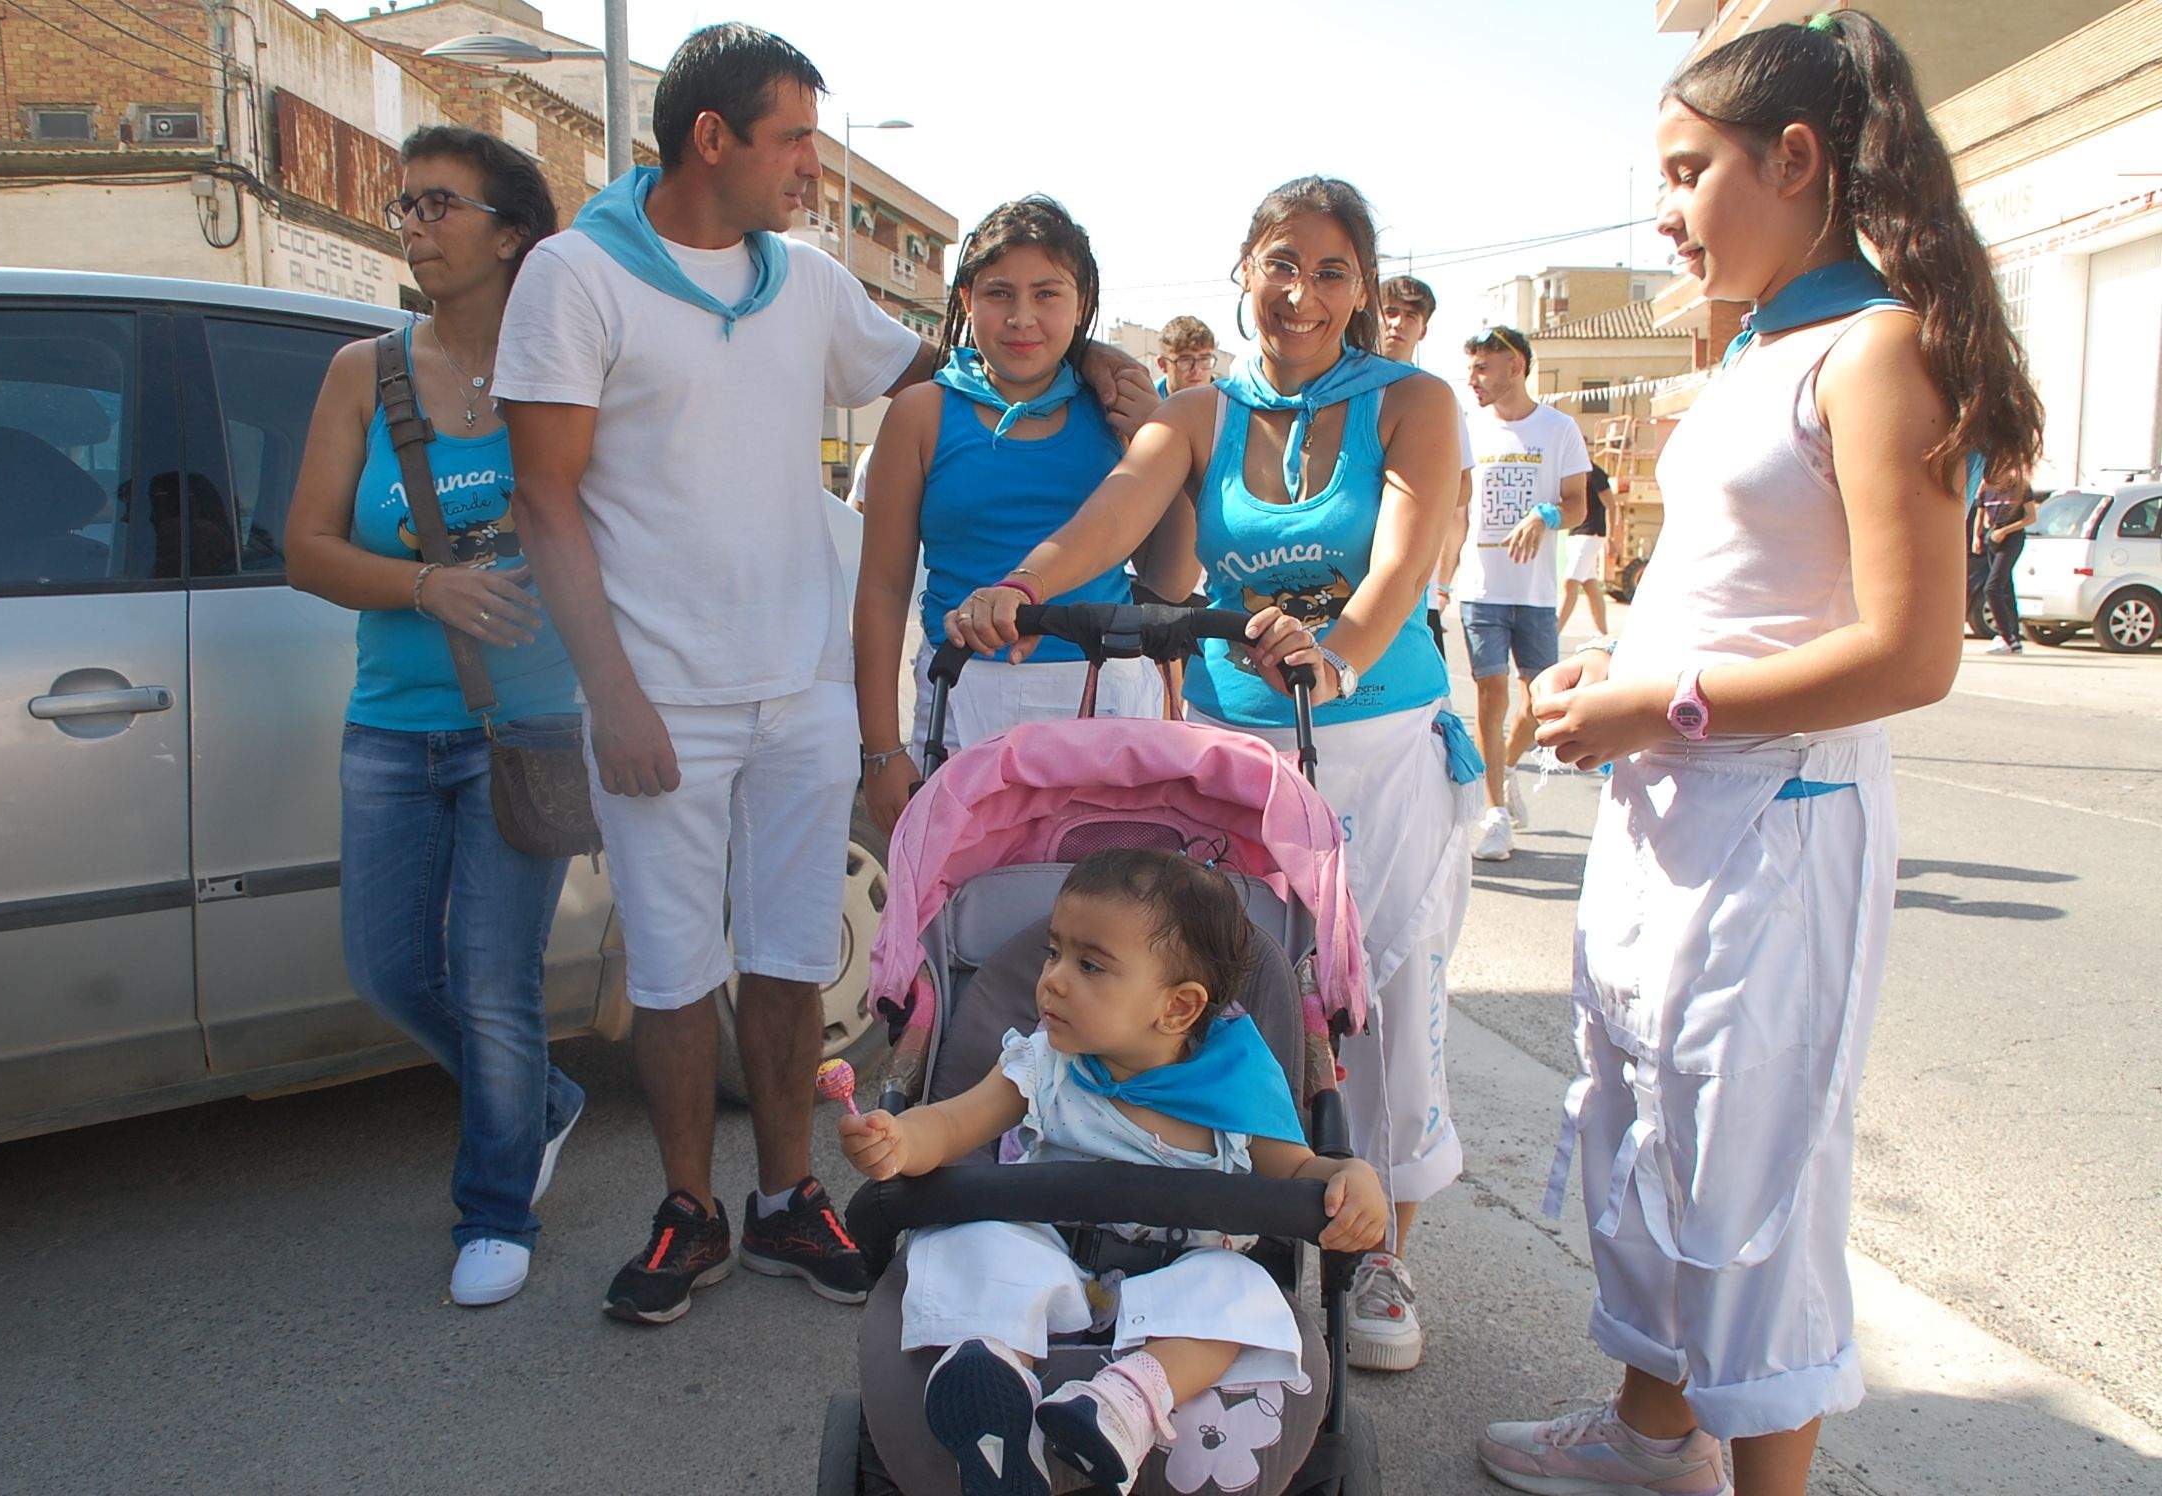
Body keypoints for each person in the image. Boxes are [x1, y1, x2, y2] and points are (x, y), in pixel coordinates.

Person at [492, 23, 1155, 1327]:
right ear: (713, 138)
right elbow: (544, 500)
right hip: (658, 698)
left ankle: (787, 1195)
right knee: (673, 971)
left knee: (794, 956)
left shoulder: (801, 280)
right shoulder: (576, 277)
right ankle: (689, 1208)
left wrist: (1087, 359)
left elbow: (955, 367)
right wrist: (611, 694)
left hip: (799, 688)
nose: (812, 162)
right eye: (794, 138)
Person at [1481, 13, 2043, 1496]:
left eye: (1688, 172)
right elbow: (1735, 590)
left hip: (1777, 828)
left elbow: (1911, 654)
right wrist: (1620, 675)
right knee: (1640, 1125)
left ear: (1796, 160)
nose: (1663, 211)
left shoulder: (1878, 350)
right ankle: (1651, 1434)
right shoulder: (1758, 342)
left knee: (1754, 1177)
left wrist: (1656, 706)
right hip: (1673, 813)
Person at [947, 176, 1476, 1376]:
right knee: (1253, 990)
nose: (1303, 292)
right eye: (1282, 263)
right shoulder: (1199, 411)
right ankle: (1218, 1209)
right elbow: (1112, 516)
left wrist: (1338, 653)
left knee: (1386, 1001)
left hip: (1379, 731)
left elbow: (1402, 562)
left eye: (1332, 271)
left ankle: (1384, 1246)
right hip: (1241, 752)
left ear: (1363, 288)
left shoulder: (1413, 401)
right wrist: (1022, 589)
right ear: (1244, 270)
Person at [283, 126, 584, 1310]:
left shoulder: (564, 371)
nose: (412, 224)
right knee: (389, 967)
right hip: (393, 723)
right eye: (404, 205)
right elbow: (307, 548)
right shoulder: (365, 371)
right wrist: (427, 584)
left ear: (512, 235)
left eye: (438, 204)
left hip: (530, 725)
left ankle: (496, 1207)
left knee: (495, 977)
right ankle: (541, 1100)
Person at [840, 849, 1388, 1494]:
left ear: (1177, 1008)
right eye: (1054, 954)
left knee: (1244, 1291)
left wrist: (1349, 1177)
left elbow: (1295, 1171)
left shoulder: (1238, 1083)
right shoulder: (1046, 1063)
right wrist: (900, 1139)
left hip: (1180, 1280)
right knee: (971, 1241)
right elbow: (952, 1124)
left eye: (1089, 965)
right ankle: (995, 1385)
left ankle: (1123, 1406)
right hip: (1048, 1258)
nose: (1052, 980)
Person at [854, 196, 1164, 832]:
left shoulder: (1120, 410)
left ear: (1082, 303)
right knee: (965, 896)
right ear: (967, 300)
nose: (1023, 318)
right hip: (963, 695)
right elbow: (882, 589)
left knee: (1107, 893)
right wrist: (880, 750)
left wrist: (1156, 438)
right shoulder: (920, 413)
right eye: (1000, 293)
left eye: (1047, 294)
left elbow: (1172, 575)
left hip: (1107, 695)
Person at [1455, 324, 1590, 862]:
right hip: (1481, 587)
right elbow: (1455, 509)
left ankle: (1506, 767)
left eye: (1482, 368)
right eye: (1469, 368)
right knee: (1490, 695)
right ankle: (1494, 816)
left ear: (1515, 366)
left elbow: (1578, 503)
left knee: (1540, 704)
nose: (1472, 379)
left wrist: (1546, 514)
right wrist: (1439, 578)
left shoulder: (1558, 429)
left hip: (1534, 592)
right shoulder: (1470, 428)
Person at [1376, 273, 1473, 664]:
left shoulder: (1437, 398)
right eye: (1390, 312)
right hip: (1341, 580)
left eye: (1410, 316)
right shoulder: (1340, 387)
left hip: (1414, 590)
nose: (1397, 323)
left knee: (1424, 696)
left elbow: (1462, 488)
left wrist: (1411, 489)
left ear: (1424, 330)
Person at [1972, 461, 2035, 654]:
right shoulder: (1986, 488)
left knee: (1991, 587)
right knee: (2006, 587)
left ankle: (2006, 636)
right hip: (1993, 538)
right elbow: (1980, 513)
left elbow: (2031, 517)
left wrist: (2005, 531)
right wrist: (1977, 536)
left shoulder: (2020, 487)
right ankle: (2013, 638)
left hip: (2012, 538)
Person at [1558, 463, 1615, 636]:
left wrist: (1611, 537)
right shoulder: (1570, 470)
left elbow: (1611, 505)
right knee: (1590, 585)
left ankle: (1553, 632)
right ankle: (1604, 635)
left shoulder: (1594, 472)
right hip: (1575, 533)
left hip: (1591, 534)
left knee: (1570, 582)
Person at [1154, 314, 1220, 396]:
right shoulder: (1146, 400)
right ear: (1163, 364)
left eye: (1204, 360)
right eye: (1186, 361)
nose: (1196, 370)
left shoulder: (1228, 400)